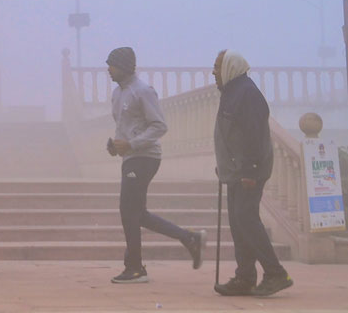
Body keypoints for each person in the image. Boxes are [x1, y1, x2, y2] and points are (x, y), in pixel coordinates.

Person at [106, 46, 206, 284]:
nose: (108, 69)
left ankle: (135, 268)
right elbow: (125, 127)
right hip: (130, 158)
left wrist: (132, 144)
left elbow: (159, 125)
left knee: (128, 211)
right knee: (137, 214)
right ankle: (189, 238)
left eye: (112, 65)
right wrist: (116, 146)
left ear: (124, 66)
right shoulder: (117, 94)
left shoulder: (143, 91)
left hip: (146, 157)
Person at [212, 50, 293, 297]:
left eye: (217, 67)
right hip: (235, 170)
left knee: (245, 218)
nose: (213, 72)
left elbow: (254, 135)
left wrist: (250, 170)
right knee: (238, 223)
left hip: (248, 170)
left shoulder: (247, 93)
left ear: (229, 67)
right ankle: (245, 277)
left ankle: (276, 273)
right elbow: (231, 135)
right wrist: (225, 164)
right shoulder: (232, 92)